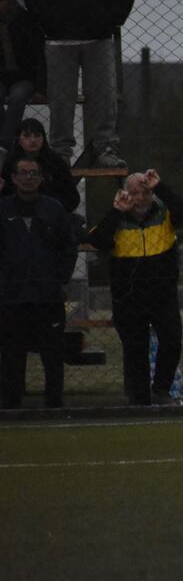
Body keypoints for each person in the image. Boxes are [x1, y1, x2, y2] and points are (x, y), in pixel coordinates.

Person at [85, 168, 183, 405]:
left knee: (172, 340)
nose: (140, 198)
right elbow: (98, 240)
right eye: (134, 193)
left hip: (162, 294)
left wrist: (160, 187)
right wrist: (116, 211)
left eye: (146, 192)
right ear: (124, 194)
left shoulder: (164, 214)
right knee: (135, 348)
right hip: (128, 297)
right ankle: (140, 399)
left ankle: (161, 390)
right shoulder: (116, 219)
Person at [25, 0, 134, 168]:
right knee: (60, 101)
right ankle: (60, 153)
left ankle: (105, 149)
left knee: (104, 97)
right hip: (58, 42)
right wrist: (49, 21)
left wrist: (108, 20)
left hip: (99, 41)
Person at [0, 154, 75, 408]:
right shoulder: (3, 209)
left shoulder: (54, 209)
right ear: (13, 178)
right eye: (23, 173)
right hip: (11, 297)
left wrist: (60, 277)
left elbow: (68, 247)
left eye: (33, 173)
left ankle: (54, 402)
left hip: (47, 296)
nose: (28, 178)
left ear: (42, 178)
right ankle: (11, 403)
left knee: (52, 352)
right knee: (11, 353)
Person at [0, 0, 46, 159]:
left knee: (18, 96)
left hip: (24, 76)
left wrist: (41, 88)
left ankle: (4, 143)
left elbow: (39, 55)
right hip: (3, 76)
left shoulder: (26, 21)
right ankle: (7, 140)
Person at [1, 118, 79, 213]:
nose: (33, 140)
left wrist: (53, 210)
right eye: (26, 136)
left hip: (50, 213)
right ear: (18, 139)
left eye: (37, 135)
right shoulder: (10, 162)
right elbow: (5, 194)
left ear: (43, 138)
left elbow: (72, 198)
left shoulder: (55, 161)